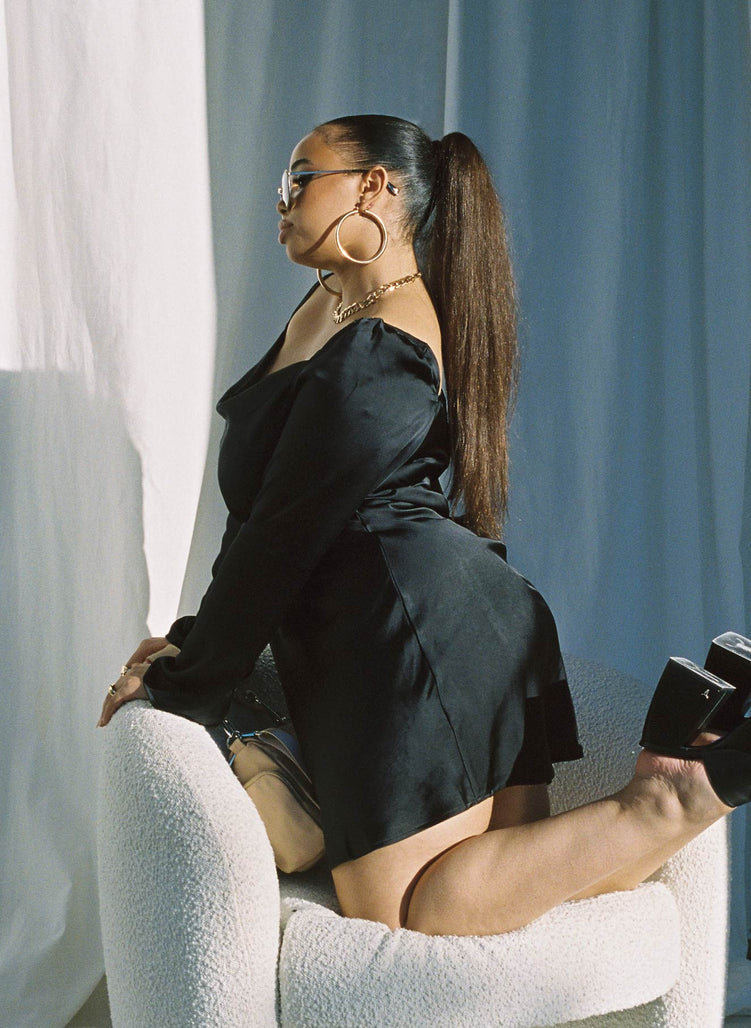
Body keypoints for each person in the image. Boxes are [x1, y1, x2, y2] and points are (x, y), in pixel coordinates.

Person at [98, 114, 750, 937]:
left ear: (374, 187)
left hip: (414, 626)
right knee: (510, 886)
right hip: (433, 615)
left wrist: (186, 681)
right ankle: (684, 772)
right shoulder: (334, 302)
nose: (281, 202)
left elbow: (282, 539)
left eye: (299, 179)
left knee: (410, 912)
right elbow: (264, 515)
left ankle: (672, 797)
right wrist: (192, 642)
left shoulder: (383, 344)